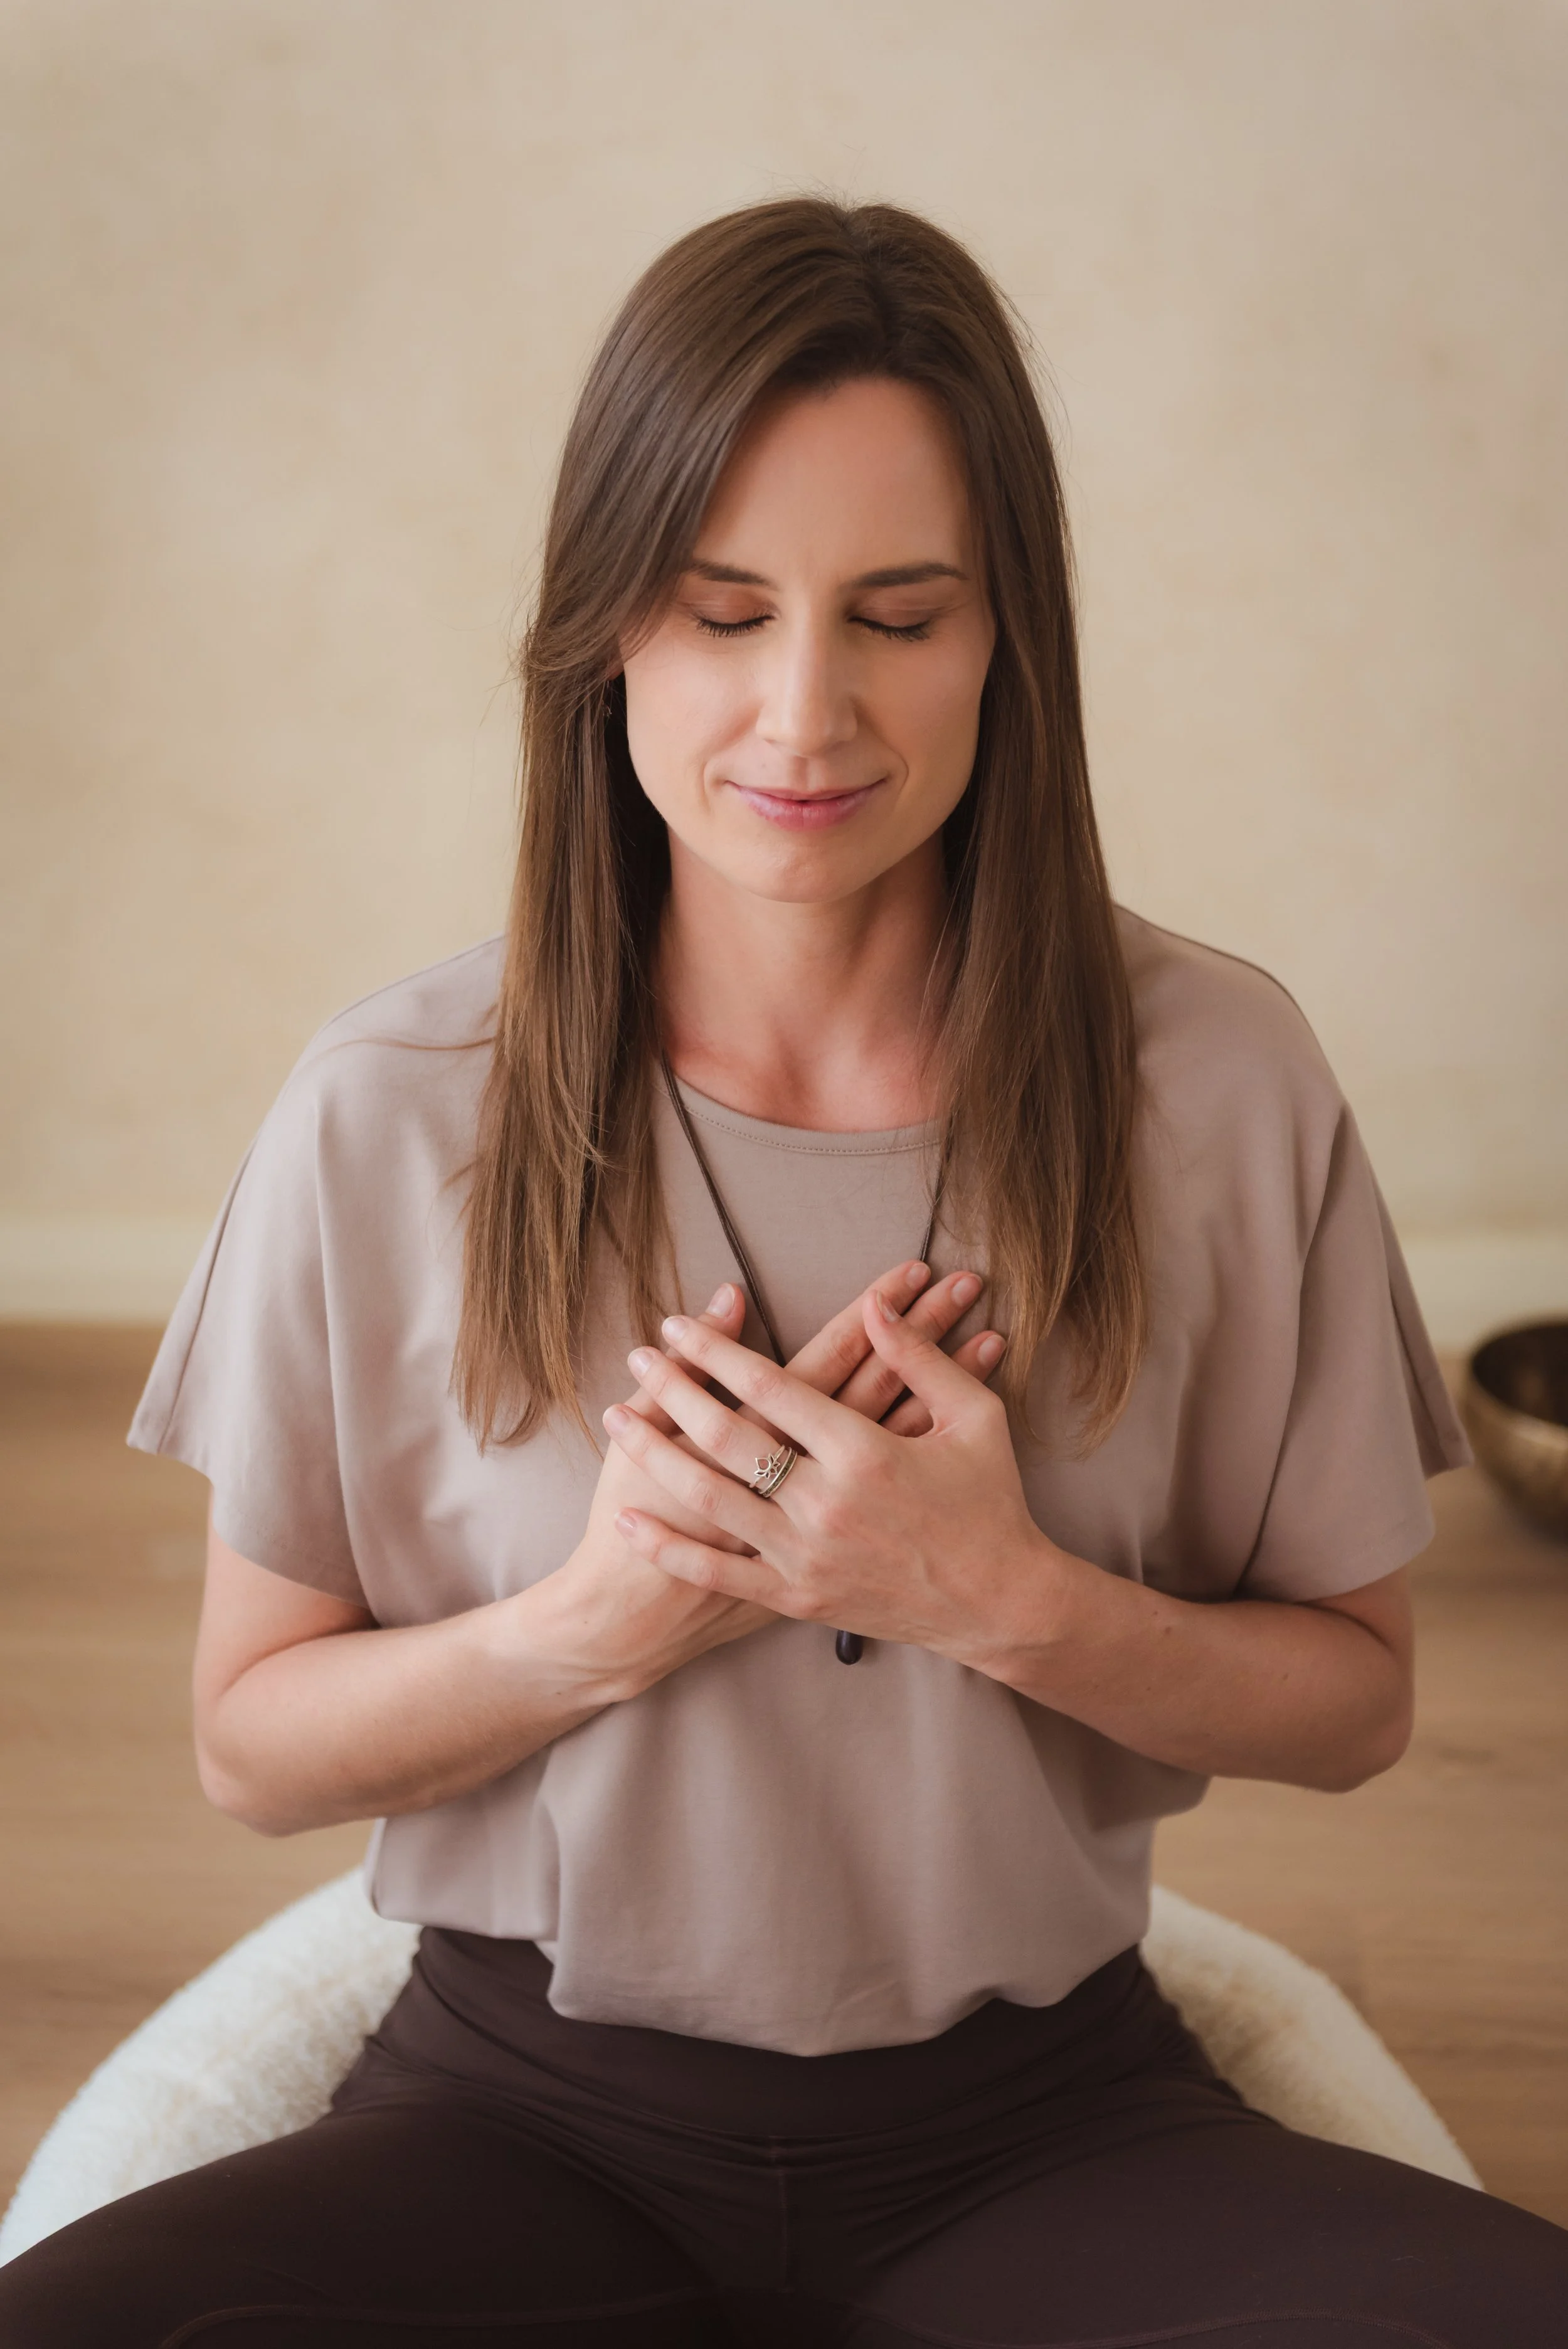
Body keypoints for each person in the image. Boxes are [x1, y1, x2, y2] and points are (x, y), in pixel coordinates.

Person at [5, 196, 1564, 2348]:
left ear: (1009, 631)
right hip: (518, 2122)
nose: (804, 711)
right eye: (719, 609)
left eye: (898, 614)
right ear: (605, 631)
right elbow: (254, 1750)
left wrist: (996, 1599)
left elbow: (1357, 1706)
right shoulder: (389, 1108)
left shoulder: (1217, 1080)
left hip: (1050, 2130)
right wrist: (596, 1626)